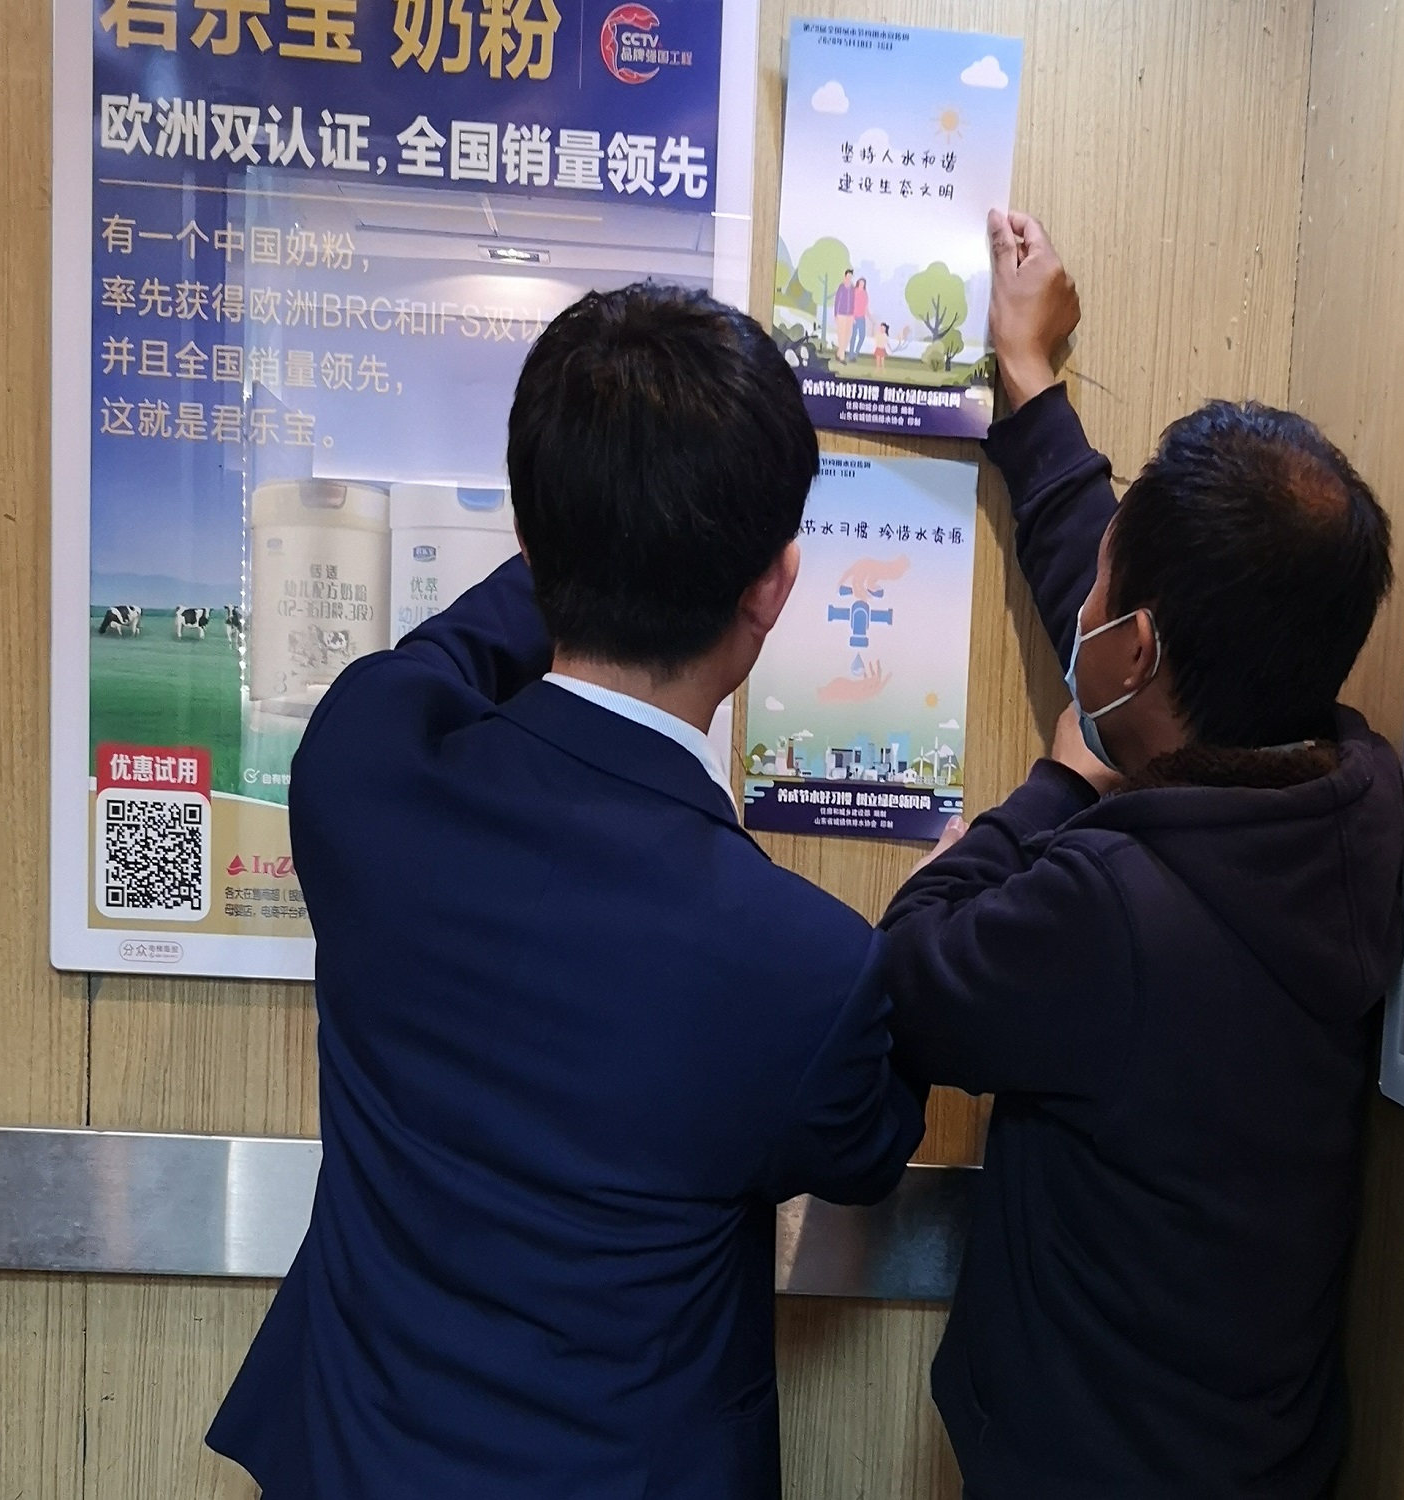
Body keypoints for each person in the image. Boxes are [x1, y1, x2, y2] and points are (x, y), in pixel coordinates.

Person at [207, 284, 925, 1500]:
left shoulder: (364, 766)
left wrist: (579, 527)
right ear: (773, 585)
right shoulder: (801, 962)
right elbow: (866, 1147)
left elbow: (440, 657)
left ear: (530, 541)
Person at [879, 210, 1404, 1500]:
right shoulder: (1348, 798)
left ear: (1137, 652)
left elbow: (909, 974)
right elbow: (1139, 601)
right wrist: (1029, 386)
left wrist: (1055, 781)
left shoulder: (1110, 910)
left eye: (1105, 589)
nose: (1089, 591)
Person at [834, 269, 857, 360]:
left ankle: (839, 352)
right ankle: (842, 356)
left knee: (848, 335)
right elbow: (837, 301)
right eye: (847, 276)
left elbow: (854, 302)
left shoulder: (852, 288)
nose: (849, 278)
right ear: (845, 276)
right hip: (841, 315)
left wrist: (853, 315)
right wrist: (836, 314)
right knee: (842, 335)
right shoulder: (841, 287)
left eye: (850, 276)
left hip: (850, 315)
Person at [848, 277, 871, 361]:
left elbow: (866, 308)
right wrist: (852, 317)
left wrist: (871, 319)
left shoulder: (865, 294)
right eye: (860, 283)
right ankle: (851, 355)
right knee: (853, 337)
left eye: (863, 283)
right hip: (854, 317)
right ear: (858, 283)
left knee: (862, 336)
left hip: (862, 318)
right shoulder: (854, 292)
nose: (861, 285)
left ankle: (855, 353)